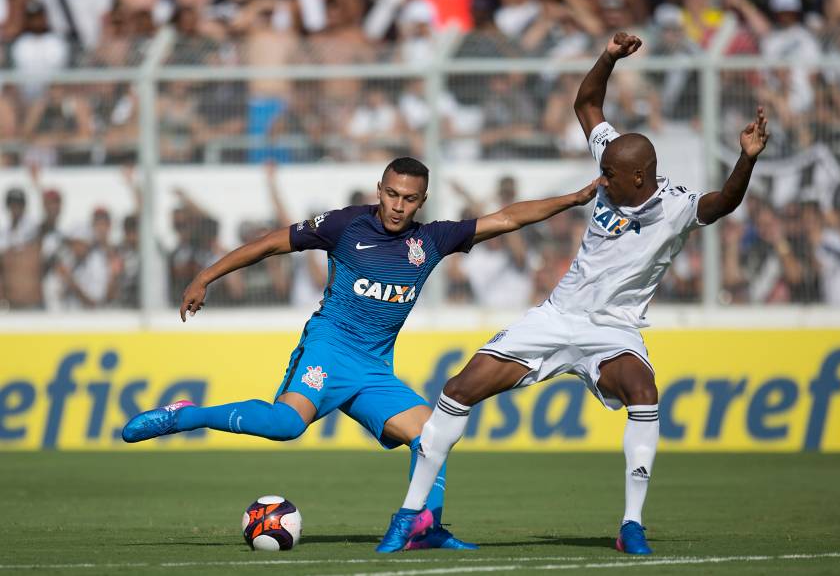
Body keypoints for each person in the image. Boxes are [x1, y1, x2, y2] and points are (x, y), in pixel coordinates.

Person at [380, 33, 770, 555]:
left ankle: (631, 525)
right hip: (557, 316)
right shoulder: (613, 161)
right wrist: (608, 57)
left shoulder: (676, 206)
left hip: (613, 330)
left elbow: (722, 203)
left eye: (609, 176)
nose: (599, 181)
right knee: (459, 387)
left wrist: (745, 159)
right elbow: (586, 103)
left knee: (644, 392)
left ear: (639, 176)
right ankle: (412, 517)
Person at [121, 157, 599, 552]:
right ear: (380, 189)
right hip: (328, 350)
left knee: (432, 437)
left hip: (373, 370)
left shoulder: (431, 240)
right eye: (392, 194)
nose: (398, 205)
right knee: (285, 426)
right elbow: (270, 244)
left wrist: (574, 199)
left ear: (421, 201)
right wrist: (206, 277)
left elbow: (509, 217)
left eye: (409, 199)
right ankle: (185, 416)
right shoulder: (346, 224)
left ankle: (424, 526)